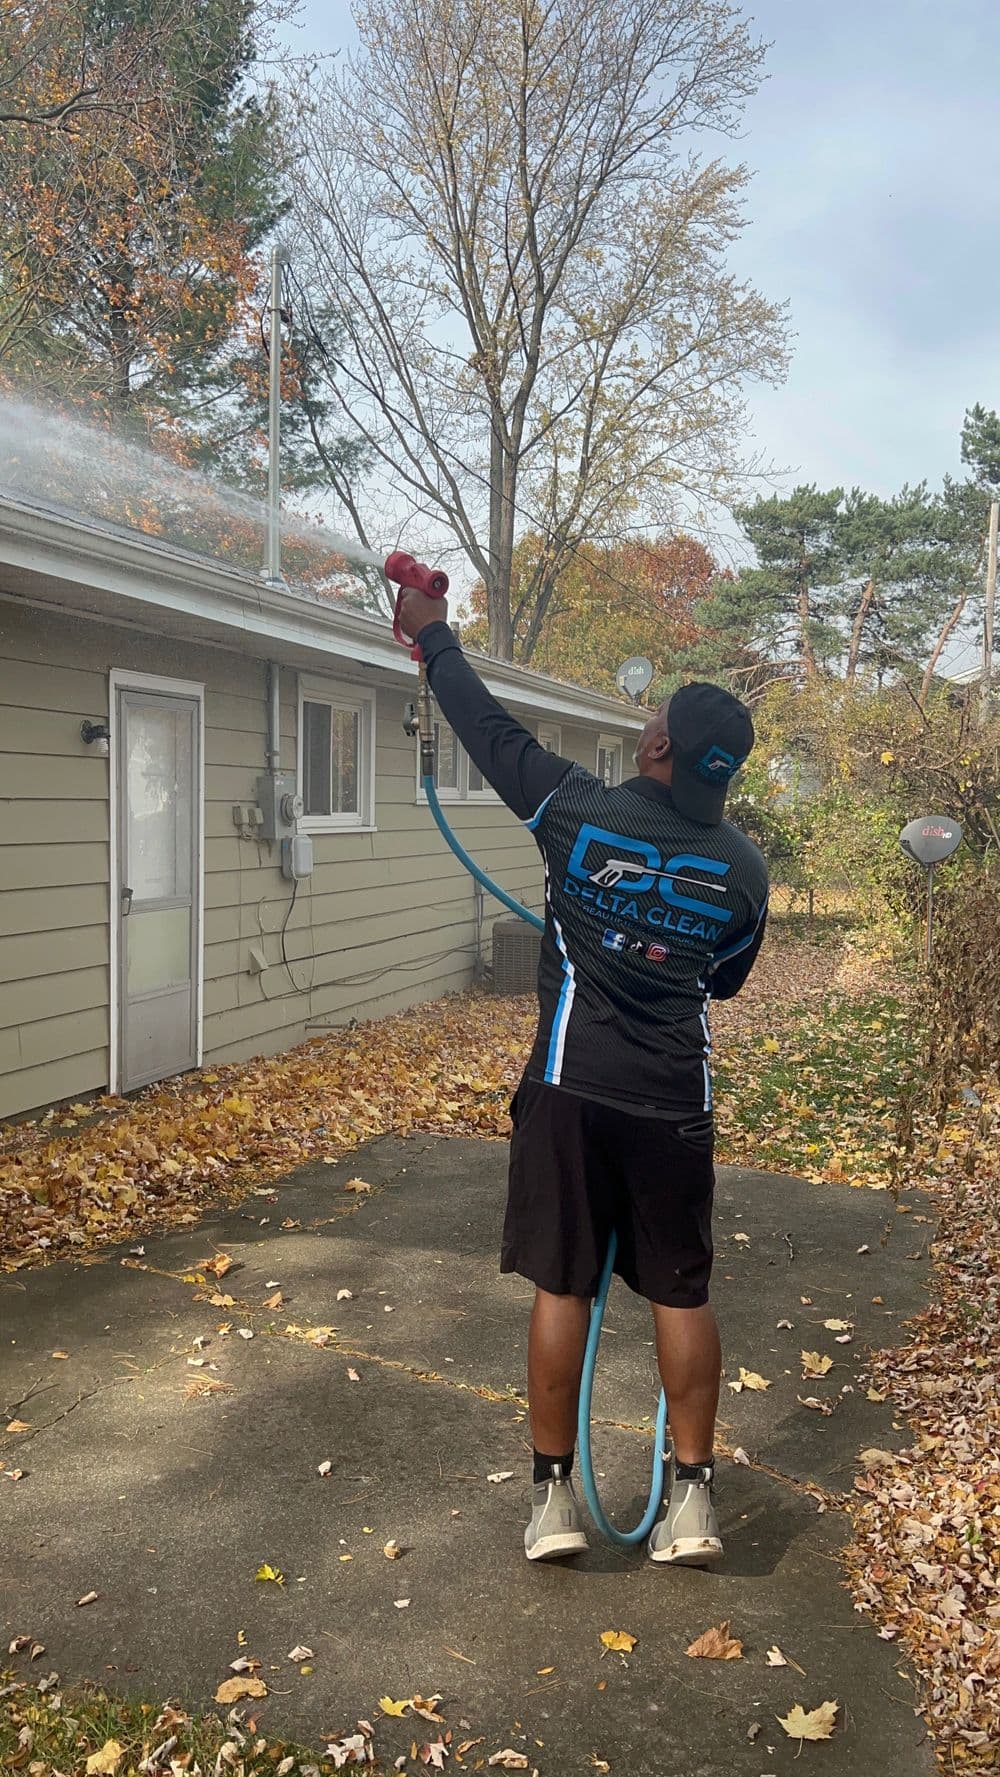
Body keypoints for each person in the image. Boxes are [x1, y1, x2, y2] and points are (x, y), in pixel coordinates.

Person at [397, 588, 769, 1567]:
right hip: (672, 1105)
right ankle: (691, 1507)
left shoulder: (573, 809)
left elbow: (484, 724)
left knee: (565, 1288)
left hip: (568, 1090)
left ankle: (553, 1501)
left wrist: (430, 635)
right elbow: (724, 979)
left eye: (652, 723)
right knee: (681, 1292)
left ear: (656, 750)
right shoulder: (742, 868)